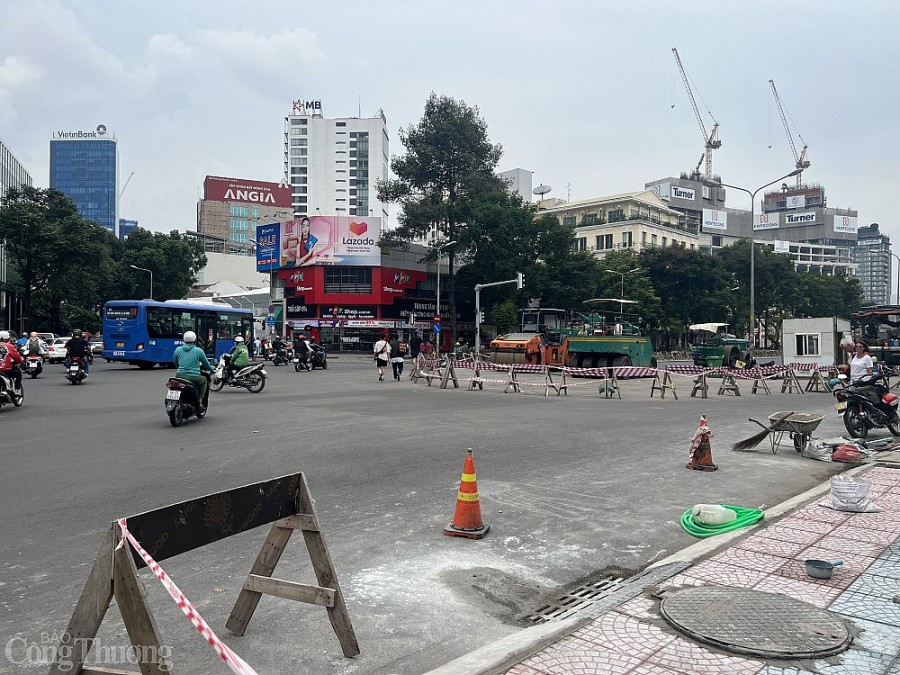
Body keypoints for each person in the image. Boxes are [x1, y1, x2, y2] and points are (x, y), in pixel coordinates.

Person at [173, 330, 213, 407]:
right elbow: (206, 364)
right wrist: (212, 370)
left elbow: (175, 362)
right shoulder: (198, 351)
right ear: (195, 340)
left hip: (179, 376)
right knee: (204, 380)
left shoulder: (178, 350)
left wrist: (180, 369)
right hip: (193, 377)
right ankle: (200, 401)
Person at [0, 330, 24, 395]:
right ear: (7, 338)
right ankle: (17, 390)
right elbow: (17, 357)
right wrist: (20, 361)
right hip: (5, 370)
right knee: (18, 373)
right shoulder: (9, 346)